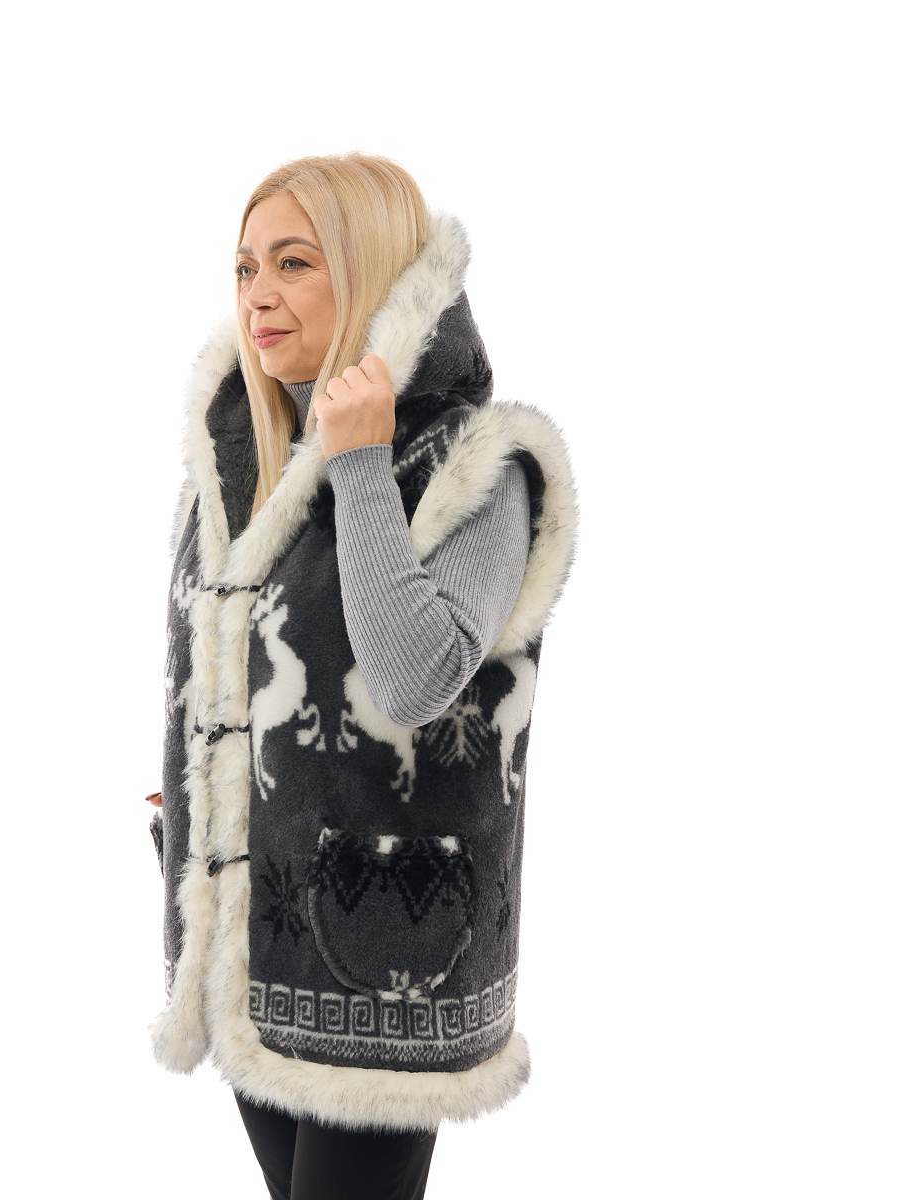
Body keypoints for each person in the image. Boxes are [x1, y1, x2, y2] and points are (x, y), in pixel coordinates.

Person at [145, 153, 577, 1200]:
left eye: (294, 263)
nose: (259, 294)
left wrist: (360, 464)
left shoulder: (477, 464)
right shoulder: (236, 466)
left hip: (391, 949)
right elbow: (216, 667)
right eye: (245, 267)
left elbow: (416, 677)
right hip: (255, 938)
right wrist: (196, 801)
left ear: (372, 271)